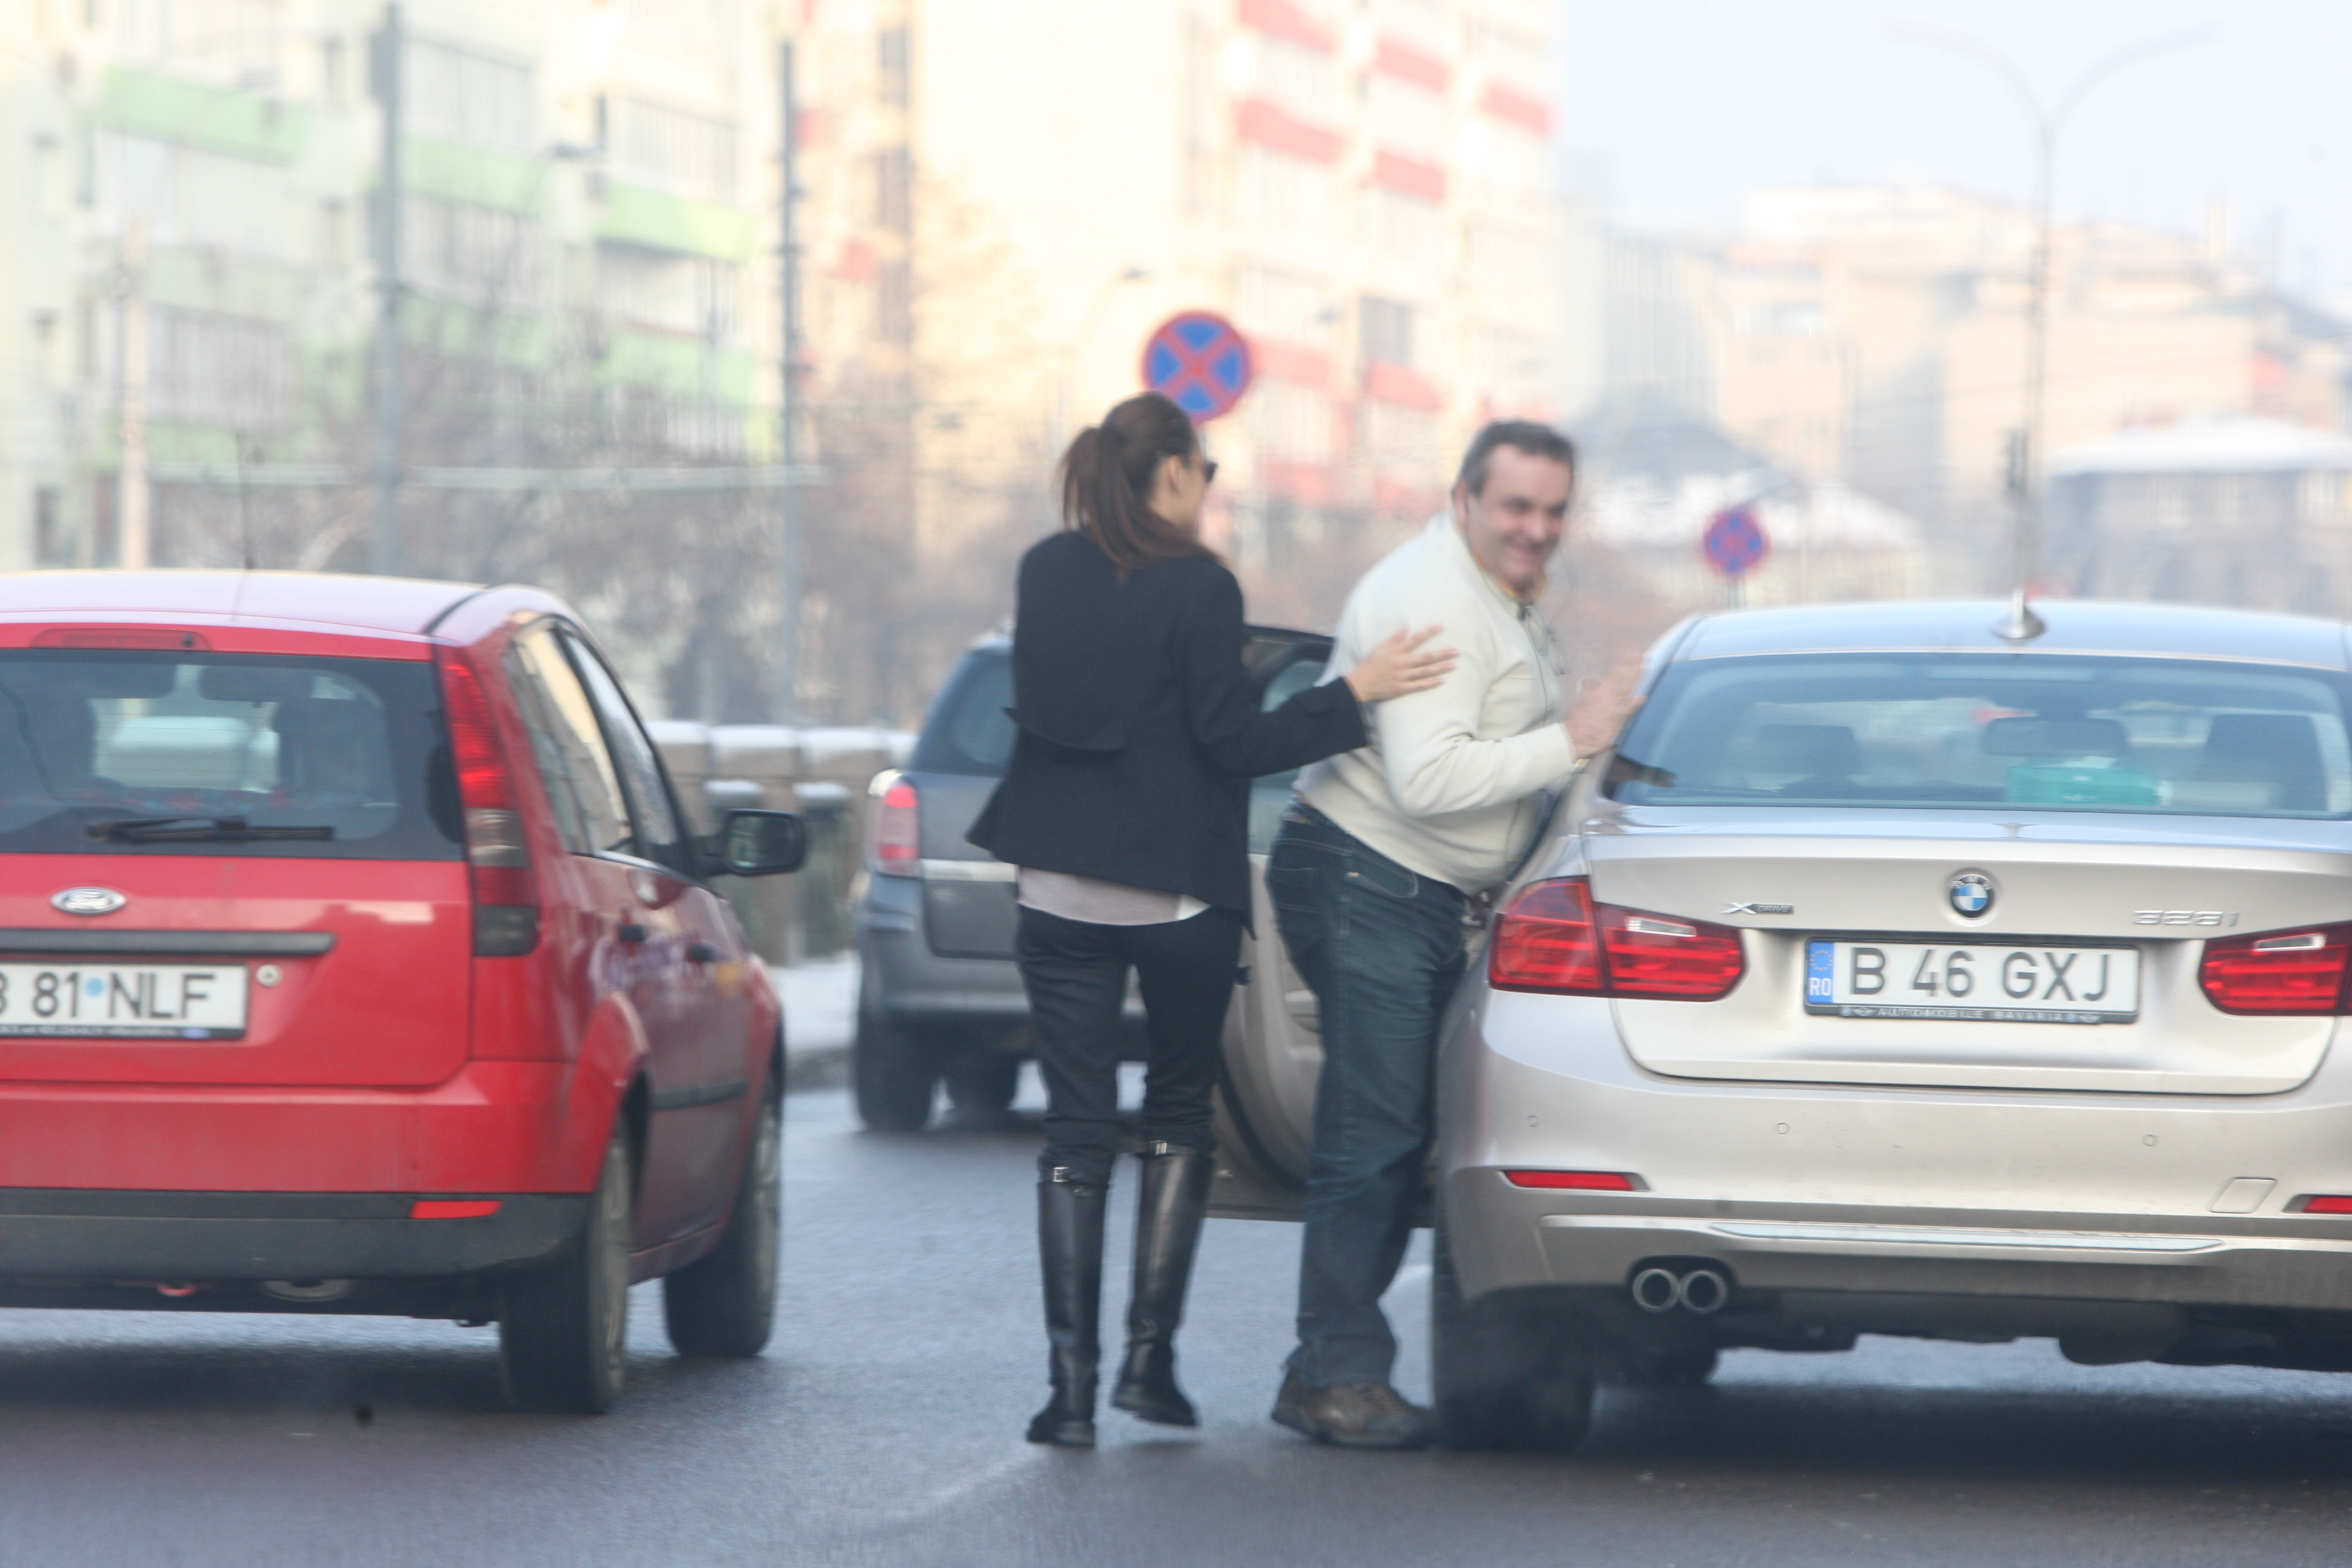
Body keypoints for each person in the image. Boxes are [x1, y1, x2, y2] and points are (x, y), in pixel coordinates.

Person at [968, 391, 1455, 1449]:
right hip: (1174, 895)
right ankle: (1150, 1366)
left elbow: (1065, 706)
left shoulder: (1045, 570)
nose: (1213, 493)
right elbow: (1235, 745)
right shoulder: (1200, 587)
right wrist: (1355, 693)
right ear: (1177, 474)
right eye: (1211, 473)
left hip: (1054, 884)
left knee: (1073, 1130)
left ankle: (1066, 1392)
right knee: (1179, 1117)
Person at [1266, 420, 1643, 1449]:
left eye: (1554, 510)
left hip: (1411, 887)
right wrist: (1572, 739)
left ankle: (1325, 1368)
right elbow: (1428, 782)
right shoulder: (1435, 601)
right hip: (1368, 874)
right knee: (1374, 1132)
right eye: (1516, 507)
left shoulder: (1497, 596)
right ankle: (1336, 1377)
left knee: (1395, 1132)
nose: (1537, 529)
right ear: (1465, 499)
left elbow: (1486, 751)